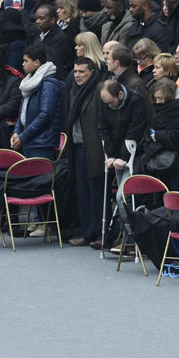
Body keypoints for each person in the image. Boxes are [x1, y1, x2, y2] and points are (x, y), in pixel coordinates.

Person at [63, 57, 104, 247]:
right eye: (75, 71)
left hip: (94, 149)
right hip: (77, 146)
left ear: (92, 72)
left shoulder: (98, 89)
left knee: (97, 192)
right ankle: (87, 233)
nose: (77, 75)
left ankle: (100, 233)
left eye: (82, 72)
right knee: (82, 192)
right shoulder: (73, 90)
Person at [98, 79, 148, 208]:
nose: (109, 106)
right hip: (116, 149)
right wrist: (111, 155)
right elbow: (103, 128)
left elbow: (134, 131)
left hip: (134, 150)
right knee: (122, 195)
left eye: (111, 102)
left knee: (123, 195)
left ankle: (129, 226)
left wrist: (123, 157)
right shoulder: (105, 100)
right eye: (106, 103)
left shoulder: (136, 100)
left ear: (120, 94)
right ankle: (123, 227)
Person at [11, 43, 64, 161]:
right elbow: (22, 110)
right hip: (29, 141)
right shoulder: (29, 82)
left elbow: (45, 116)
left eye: (26, 61)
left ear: (37, 62)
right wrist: (17, 131)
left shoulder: (49, 85)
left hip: (42, 144)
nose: (22, 64)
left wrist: (23, 137)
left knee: (40, 178)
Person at [142, 77, 179, 192]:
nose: (157, 102)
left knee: (177, 198)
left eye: (160, 98)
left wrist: (158, 136)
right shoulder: (159, 109)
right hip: (159, 160)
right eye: (155, 99)